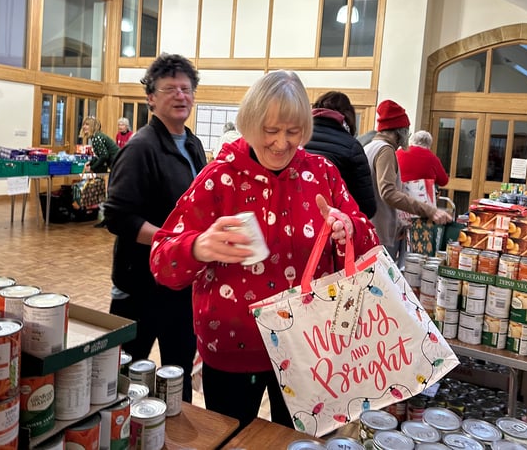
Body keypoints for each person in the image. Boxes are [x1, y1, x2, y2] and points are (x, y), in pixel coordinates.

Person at [149, 70, 378, 430]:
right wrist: (200, 246)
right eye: (270, 131)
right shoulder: (219, 178)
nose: (281, 143)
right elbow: (162, 260)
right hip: (232, 346)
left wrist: (347, 231)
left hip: (309, 347)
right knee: (231, 436)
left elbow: (368, 241)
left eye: (293, 132)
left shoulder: (322, 173)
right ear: (249, 125)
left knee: (298, 439)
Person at [102, 53, 206, 403]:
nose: (181, 95)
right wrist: (169, 239)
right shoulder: (140, 147)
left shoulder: (192, 143)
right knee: (125, 376)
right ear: (151, 98)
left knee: (178, 373)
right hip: (141, 284)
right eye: (170, 88)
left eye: (186, 88)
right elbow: (117, 216)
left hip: (182, 282)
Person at [364, 100, 451, 268]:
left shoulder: (370, 146)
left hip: (371, 229)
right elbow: (388, 193)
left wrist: (398, 224)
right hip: (379, 234)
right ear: (400, 132)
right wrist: (430, 211)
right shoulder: (385, 150)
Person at [304, 91, 377, 218]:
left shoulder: (298, 138)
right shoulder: (352, 146)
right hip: (333, 225)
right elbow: (366, 207)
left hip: (295, 220)